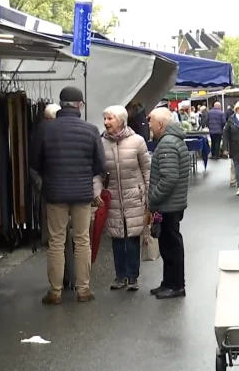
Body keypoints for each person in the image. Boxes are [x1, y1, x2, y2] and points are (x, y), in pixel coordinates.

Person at [30, 86, 105, 305]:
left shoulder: (45, 129)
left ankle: (55, 291)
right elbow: (100, 165)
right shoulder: (90, 130)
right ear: (80, 105)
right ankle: (83, 290)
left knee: (56, 241)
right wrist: (82, 176)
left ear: (61, 103)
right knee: (82, 240)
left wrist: (43, 185)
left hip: (54, 193)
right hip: (82, 192)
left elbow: (33, 164)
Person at [94, 105, 151, 291]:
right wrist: (97, 192)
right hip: (112, 197)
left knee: (132, 236)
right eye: (105, 119)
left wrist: (149, 195)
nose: (106, 122)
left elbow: (147, 169)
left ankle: (132, 277)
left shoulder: (137, 141)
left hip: (134, 195)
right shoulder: (100, 143)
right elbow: (96, 172)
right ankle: (120, 276)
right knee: (117, 237)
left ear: (121, 121)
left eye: (110, 119)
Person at [147, 107, 191, 299]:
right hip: (173, 203)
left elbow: (169, 179)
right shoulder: (174, 141)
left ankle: (175, 285)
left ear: (160, 124)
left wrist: (153, 198)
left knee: (171, 245)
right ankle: (169, 282)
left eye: (151, 122)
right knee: (168, 244)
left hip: (168, 205)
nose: (148, 125)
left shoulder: (166, 144)